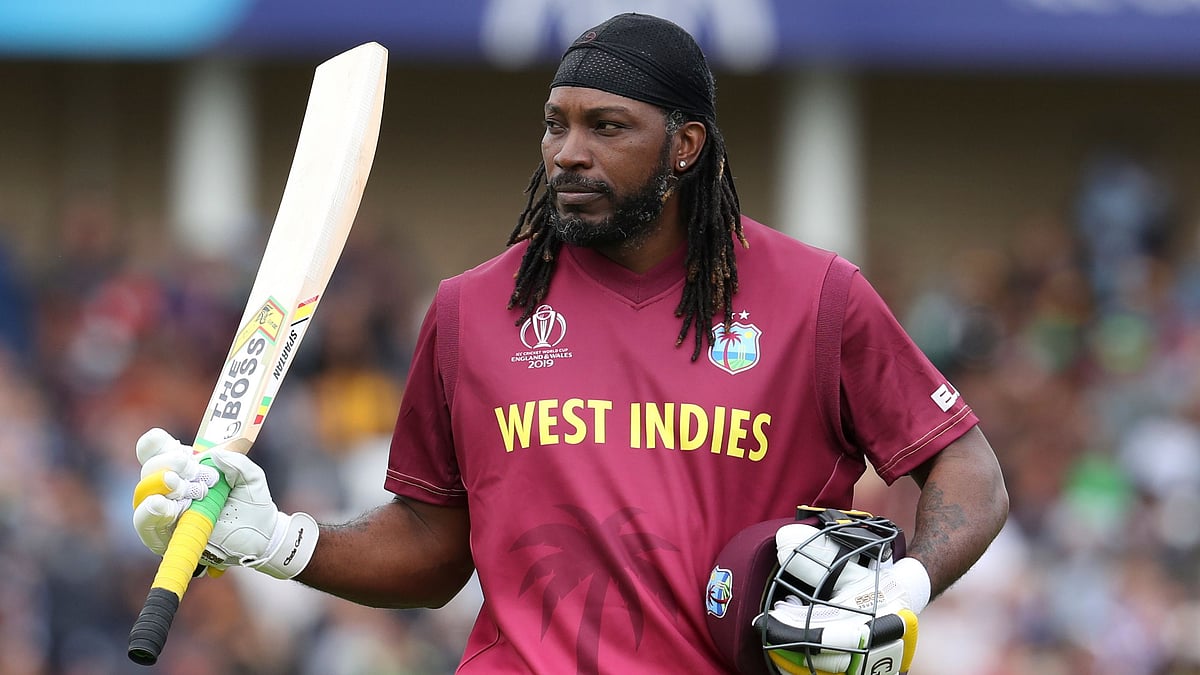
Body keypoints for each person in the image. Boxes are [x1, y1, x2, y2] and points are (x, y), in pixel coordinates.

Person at [133, 12, 1008, 674]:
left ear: (685, 146)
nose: (568, 153)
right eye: (556, 124)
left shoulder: (817, 297)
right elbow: (433, 548)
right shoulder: (471, 309)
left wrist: (905, 586)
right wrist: (279, 540)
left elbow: (967, 467)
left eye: (606, 127)